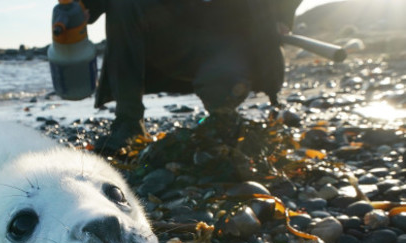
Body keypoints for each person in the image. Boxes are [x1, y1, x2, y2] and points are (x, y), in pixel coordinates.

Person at [79, 0, 302, 153]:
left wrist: (282, 16)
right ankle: (128, 122)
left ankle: (222, 118)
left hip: (234, 39)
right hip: (172, 36)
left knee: (222, 87)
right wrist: (83, 6)